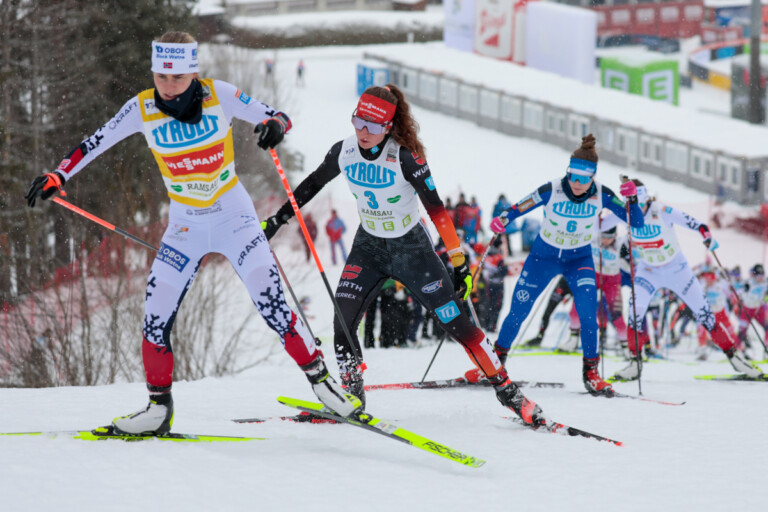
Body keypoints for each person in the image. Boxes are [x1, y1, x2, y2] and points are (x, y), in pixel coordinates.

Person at [24, 31, 359, 435]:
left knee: (273, 306)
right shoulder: (141, 108)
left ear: (193, 73)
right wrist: (58, 174)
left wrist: (274, 126)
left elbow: (278, 115)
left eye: (177, 78)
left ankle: (324, 387)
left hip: (235, 219)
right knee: (155, 316)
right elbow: (94, 142)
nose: (168, 86)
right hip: (184, 227)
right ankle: (157, 408)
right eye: (161, 77)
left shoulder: (220, 95)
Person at [261, 84, 547, 425]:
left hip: (412, 251)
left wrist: (459, 263)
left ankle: (510, 393)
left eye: (374, 126)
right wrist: (278, 219)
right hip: (368, 248)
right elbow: (311, 185)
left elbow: (438, 211)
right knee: (343, 320)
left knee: (457, 324)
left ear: (389, 127)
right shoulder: (344, 151)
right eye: (358, 122)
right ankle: (352, 396)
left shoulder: (406, 158)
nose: (364, 132)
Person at [480, 134, 644, 397]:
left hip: (578, 260)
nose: (577, 184)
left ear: (593, 177)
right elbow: (517, 207)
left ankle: (591, 373)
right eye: (573, 177)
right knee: (518, 311)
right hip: (542, 258)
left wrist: (632, 200)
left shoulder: (602, 195)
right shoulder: (552, 189)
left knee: (588, 316)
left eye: (583, 179)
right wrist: (502, 220)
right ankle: (495, 364)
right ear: (568, 173)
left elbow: (635, 223)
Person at [612, 180, 764, 381]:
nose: (636, 210)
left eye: (639, 204)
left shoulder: (661, 210)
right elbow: (601, 222)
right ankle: (634, 362)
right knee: (634, 311)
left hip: (677, 271)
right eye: (632, 205)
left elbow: (697, 224)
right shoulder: (626, 213)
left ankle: (735, 358)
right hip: (648, 271)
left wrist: (707, 236)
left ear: (646, 199)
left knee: (705, 314)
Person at [737, 264, 768, 350]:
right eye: (758, 275)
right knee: (742, 331)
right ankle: (737, 349)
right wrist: (742, 292)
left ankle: (767, 345)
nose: (760, 278)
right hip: (747, 310)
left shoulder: (765, 283)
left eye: (762, 275)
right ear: (754, 275)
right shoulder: (749, 283)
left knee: (767, 327)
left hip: (758, 309)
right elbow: (739, 292)